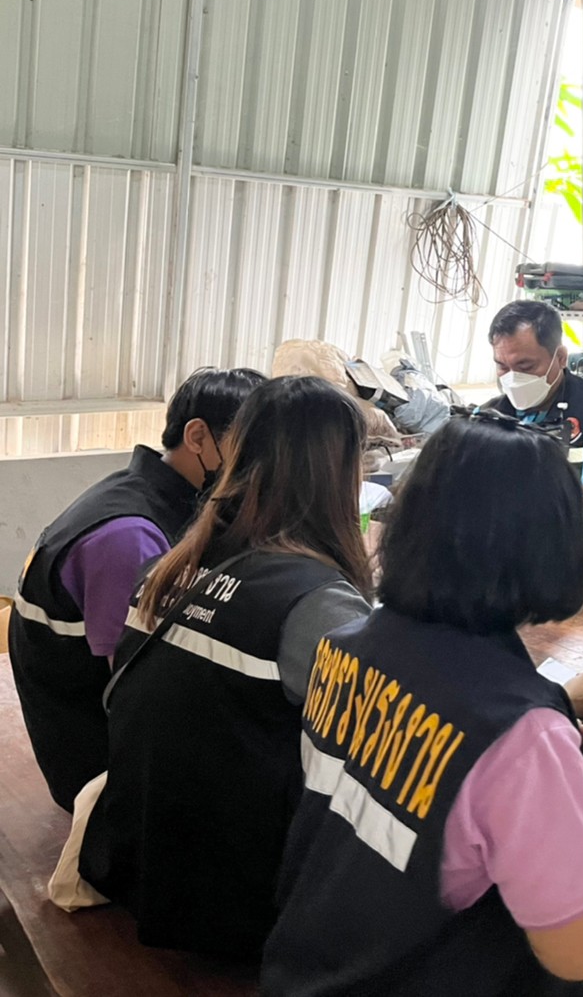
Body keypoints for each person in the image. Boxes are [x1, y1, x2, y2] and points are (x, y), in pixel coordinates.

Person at [262, 411, 583, 996]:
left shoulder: (343, 647)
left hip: (308, 971)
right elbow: (579, 949)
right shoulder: (522, 735)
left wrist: (549, 714)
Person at [78, 376, 376, 960]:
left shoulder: (171, 566)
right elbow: (373, 753)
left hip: (138, 863)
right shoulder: (314, 602)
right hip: (232, 907)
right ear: (340, 474)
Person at [9, 366, 266, 811]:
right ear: (198, 436)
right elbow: (135, 689)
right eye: (248, 451)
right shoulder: (131, 535)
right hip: (94, 773)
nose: (256, 471)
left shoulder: (145, 493)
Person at [486, 299, 583, 582]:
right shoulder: (491, 414)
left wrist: (528, 553)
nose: (514, 378)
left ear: (561, 357)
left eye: (526, 365)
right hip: (508, 573)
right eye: (503, 367)